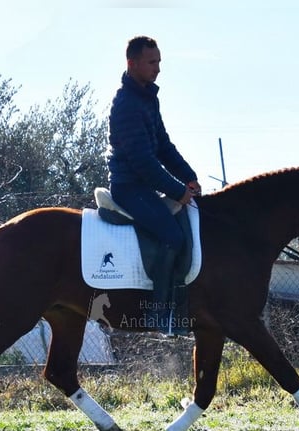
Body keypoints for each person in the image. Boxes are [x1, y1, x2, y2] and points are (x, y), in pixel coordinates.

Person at [106, 35, 202, 336]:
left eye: (159, 62)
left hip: (144, 187)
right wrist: (177, 191)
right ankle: (158, 314)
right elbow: (143, 161)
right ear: (132, 63)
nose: (157, 68)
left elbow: (162, 145)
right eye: (152, 62)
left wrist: (188, 176)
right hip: (128, 188)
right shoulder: (126, 104)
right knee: (172, 235)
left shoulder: (148, 98)